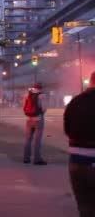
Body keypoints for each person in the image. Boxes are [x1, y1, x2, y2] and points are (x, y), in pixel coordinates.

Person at [64, 71, 95, 217]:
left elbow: (67, 130)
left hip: (77, 161)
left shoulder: (75, 101)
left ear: (90, 81)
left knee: (84, 206)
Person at [23, 83, 47, 165]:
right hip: (38, 119)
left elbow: (24, 107)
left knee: (28, 139)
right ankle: (37, 159)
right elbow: (44, 109)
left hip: (29, 119)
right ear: (41, 88)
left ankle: (26, 158)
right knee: (37, 140)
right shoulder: (42, 95)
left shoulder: (27, 94)